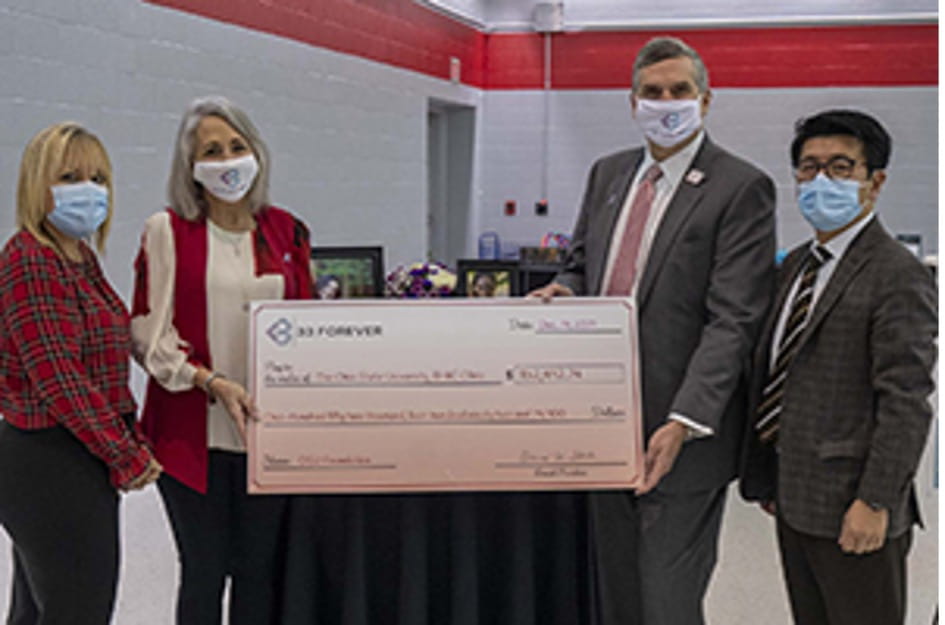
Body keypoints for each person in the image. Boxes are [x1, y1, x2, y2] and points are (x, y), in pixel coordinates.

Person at [530, 37, 776, 624]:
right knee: (616, 593)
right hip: (600, 418)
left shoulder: (740, 188)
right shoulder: (608, 173)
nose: (666, 103)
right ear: (633, 101)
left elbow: (734, 318)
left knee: (666, 598)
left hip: (681, 431)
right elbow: (581, 262)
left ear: (706, 101)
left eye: (680, 91)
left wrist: (686, 420)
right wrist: (564, 288)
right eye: (653, 92)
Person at [740, 110, 936, 625]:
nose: (820, 180)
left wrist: (875, 500)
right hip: (794, 495)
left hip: (856, 506)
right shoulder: (796, 265)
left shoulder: (898, 274)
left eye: (841, 167)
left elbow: (906, 401)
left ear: (876, 181)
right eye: (808, 168)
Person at [131, 96, 312, 624]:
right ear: (190, 166)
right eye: (212, 150)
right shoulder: (168, 231)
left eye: (237, 146)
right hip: (191, 437)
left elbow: (307, 327)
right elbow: (148, 335)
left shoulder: (288, 230)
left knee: (258, 572)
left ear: (257, 151)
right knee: (205, 570)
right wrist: (210, 381)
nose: (228, 159)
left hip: (266, 436)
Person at [0, 122, 162, 624]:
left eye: (99, 178)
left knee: (39, 610)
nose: (88, 191)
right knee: (78, 611)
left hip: (72, 456)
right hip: (50, 459)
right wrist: (125, 454)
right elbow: (60, 378)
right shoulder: (31, 260)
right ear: (37, 184)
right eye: (70, 176)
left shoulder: (77, 256)